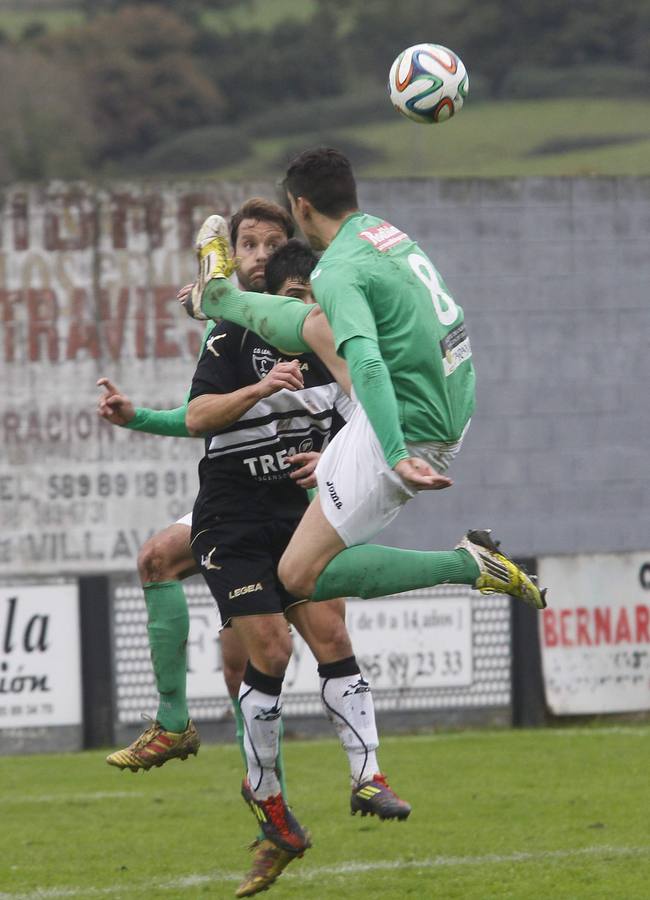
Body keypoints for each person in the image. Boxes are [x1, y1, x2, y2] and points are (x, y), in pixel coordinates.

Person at [183, 147, 547, 613]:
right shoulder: (382, 233)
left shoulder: (336, 271)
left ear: (301, 207)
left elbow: (369, 366)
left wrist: (395, 453)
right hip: (443, 398)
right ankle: (219, 300)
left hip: (408, 428)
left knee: (297, 574)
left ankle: (468, 565)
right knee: (316, 323)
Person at [186, 237, 411, 896]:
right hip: (231, 522)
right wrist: (259, 389)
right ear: (271, 301)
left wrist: (333, 460)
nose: (304, 316)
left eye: (314, 305)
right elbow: (199, 416)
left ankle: (368, 778)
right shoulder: (233, 337)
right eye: (292, 302)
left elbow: (360, 427)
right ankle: (269, 802)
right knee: (274, 650)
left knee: (335, 637)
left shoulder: (332, 352)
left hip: (294, 519)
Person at [97, 200, 294, 793]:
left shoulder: (302, 313)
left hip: (293, 504)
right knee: (158, 561)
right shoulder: (223, 320)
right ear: (231, 256)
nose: (260, 256)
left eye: (271, 244)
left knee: (276, 659)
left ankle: (462, 565)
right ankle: (178, 724)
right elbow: (200, 418)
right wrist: (137, 417)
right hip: (235, 499)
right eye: (248, 246)